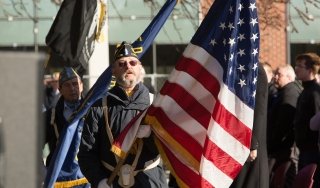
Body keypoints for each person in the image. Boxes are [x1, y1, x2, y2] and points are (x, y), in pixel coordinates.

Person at [78, 41, 168, 188]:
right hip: (112, 182)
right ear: (113, 70)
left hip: (150, 181)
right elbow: (87, 153)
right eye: (122, 64)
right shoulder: (99, 107)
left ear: (140, 68)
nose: (128, 66)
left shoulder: (156, 104)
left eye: (133, 62)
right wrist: (99, 181)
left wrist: (152, 136)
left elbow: (169, 148)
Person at [44, 67, 89, 187]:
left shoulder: (94, 111)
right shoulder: (50, 115)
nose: (73, 88)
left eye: (75, 84)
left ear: (82, 85)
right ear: (60, 89)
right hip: (59, 180)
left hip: (87, 178)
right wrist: (42, 171)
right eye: (67, 85)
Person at [230, 63, 269, 188]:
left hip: (249, 144)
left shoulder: (254, 69)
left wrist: (253, 144)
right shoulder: (233, 65)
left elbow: (259, 109)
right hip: (235, 141)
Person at [267, 64, 301, 187]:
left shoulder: (289, 94)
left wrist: (271, 144)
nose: (275, 77)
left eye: (279, 75)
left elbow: (283, 124)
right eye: (275, 74)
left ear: (289, 77)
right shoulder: (284, 92)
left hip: (281, 150)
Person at [293, 52, 320, 187]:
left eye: (299, 66)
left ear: (310, 70)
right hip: (304, 150)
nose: (295, 68)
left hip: (312, 151)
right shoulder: (305, 90)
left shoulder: (315, 92)